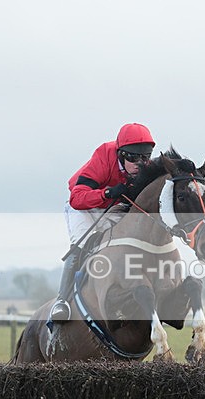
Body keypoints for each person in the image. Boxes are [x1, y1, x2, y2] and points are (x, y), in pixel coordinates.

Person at [50, 123, 156, 321]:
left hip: (111, 207)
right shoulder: (104, 156)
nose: (140, 164)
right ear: (120, 154)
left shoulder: (144, 167)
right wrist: (108, 192)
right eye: (133, 158)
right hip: (84, 206)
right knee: (83, 244)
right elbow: (77, 198)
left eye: (145, 157)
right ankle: (62, 300)